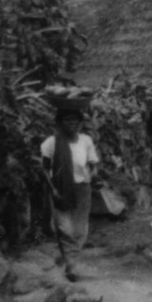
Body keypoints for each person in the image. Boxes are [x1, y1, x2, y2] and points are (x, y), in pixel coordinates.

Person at [40, 104, 102, 276]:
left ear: (81, 123)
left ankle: (71, 259)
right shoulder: (51, 143)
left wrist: (95, 175)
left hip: (82, 188)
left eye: (75, 120)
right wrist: (52, 189)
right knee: (65, 227)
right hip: (60, 189)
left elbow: (93, 164)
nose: (71, 124)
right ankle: (71, 264)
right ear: (59, 123)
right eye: (67, 120)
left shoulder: (86, 141)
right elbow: (45, 169)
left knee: (80, 229)